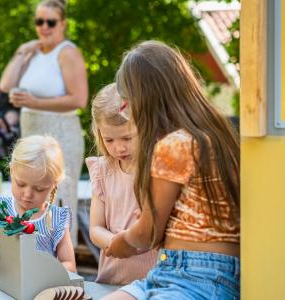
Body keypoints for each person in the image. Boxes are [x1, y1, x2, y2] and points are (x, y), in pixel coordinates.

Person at [103, 41, 241, 299]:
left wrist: (121, 241)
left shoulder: (175, 145)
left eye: (125, 100)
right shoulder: (219, 137)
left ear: (145, 98)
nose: (124, 110)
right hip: (175, 272)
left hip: (197, 278)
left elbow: (148, 232)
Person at [0, 0, 88, 243]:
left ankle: (64, 262)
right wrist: (22, 51)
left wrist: (33, 101)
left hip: (61, 132)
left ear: (62, 24)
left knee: (60, 198)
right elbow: (5, 85)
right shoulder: (33, 52)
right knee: (28, 197)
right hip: (31, 131)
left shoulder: (67, 52)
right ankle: (33, 254)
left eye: (50, 22)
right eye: (40, 21)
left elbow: (79, 99)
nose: (44, 27)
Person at [0, 135, 77, 272]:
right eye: (21, 184)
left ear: (53, 184)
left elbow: (70, 265)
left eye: (39, 189)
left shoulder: (57, 218)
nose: (27, 194)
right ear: (11, 171)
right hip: (1, 289)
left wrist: (44, 270)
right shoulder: (0, 209)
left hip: (39, 290)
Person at [86, 83, 157, 285]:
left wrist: (134, 240)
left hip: (153, 282)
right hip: (112, 279)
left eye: (127, 138)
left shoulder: (157, 168)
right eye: (109, 140)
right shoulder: (102, 171)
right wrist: (117, 243)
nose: (118, 147)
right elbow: (95, 228)